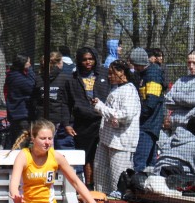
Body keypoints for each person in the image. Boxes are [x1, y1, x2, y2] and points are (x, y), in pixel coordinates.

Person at [61, 46, 110, 188]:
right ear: (79, 61)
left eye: (91, 59)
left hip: (103, 120)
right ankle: (89, 185)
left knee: (103, 155)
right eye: (85, 60)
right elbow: (65, 103)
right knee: (86, 155)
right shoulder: (72, 79)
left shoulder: (104, 74)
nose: (88, 62)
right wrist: (67, 124)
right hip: (83, 123)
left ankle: (104, 186)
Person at [92, 59, 141, 194]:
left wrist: (101, 107)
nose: (109, 76)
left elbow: (125, 115)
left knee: (118, 179)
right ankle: (101, 200)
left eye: (112, 73)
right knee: (100, 175)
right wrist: (101, 106)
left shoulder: (130, 91)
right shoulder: (117, 89)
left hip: (121, 143)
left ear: (121, 72)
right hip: (106, 140)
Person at [164, 49, 195, 143]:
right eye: (189, 63)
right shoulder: (181, 80)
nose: (191, 66)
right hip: (176, 131)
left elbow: (190, 100)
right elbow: (167, 101)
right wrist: (184, 100)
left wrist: (176, 96)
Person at [131, 47, 167, 172]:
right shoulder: (143, 74)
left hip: (149, 125)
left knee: (140, 162)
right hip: (147, 124)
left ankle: (139, 181)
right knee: (150, 163)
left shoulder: (153, 75)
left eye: (136, 65)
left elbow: (151, 102)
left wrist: (137, 116)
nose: (135, 68)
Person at [36, 51, 74, 149]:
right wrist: (67, 122)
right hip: (59, 119)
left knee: (45, 144)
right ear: (59, 63)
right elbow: (68, 101)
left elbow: (35, 100)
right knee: (55, 146)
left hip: (42, 118)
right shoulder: (65, 78)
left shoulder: (38, 78)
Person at [3, 54, 36, 140]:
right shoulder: (17, 77)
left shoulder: (13, 75)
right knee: (22, 141)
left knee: (16, 139)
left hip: (16, 114)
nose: (30, 64)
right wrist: (30, 70)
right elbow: (32, 86)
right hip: (21, 115)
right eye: (28, 62)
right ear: (23, 63)